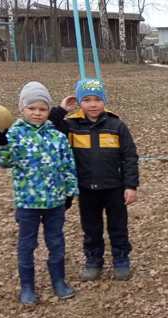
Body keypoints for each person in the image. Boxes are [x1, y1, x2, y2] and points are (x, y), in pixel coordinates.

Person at [0, 82, 78, 304]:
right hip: (28, 203)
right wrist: (1, 143)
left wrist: (69, 192)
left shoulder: (57, 136)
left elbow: (68, 165)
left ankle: (59, 280)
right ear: (21, 109)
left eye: (42, 109)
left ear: (48, 111)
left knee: (56, 242)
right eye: (32, 108)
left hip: (55, 202)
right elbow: (5, 162)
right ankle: (27, 286)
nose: (37, 113)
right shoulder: (13, 134)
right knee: (27, 244)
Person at [50, 78, 139, 281]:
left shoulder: (116, 125)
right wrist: (61, 109)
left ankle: (121, 259)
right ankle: (93, 260)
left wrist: (131, 185)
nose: (93, 104)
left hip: (114, 188)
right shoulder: (71, 126)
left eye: (97, 99)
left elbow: (130, 157)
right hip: (86, 188)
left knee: (118, 226)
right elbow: (49, 127)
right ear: (80, 103)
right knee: (91, 228)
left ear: (104, 101)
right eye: (87, 100)